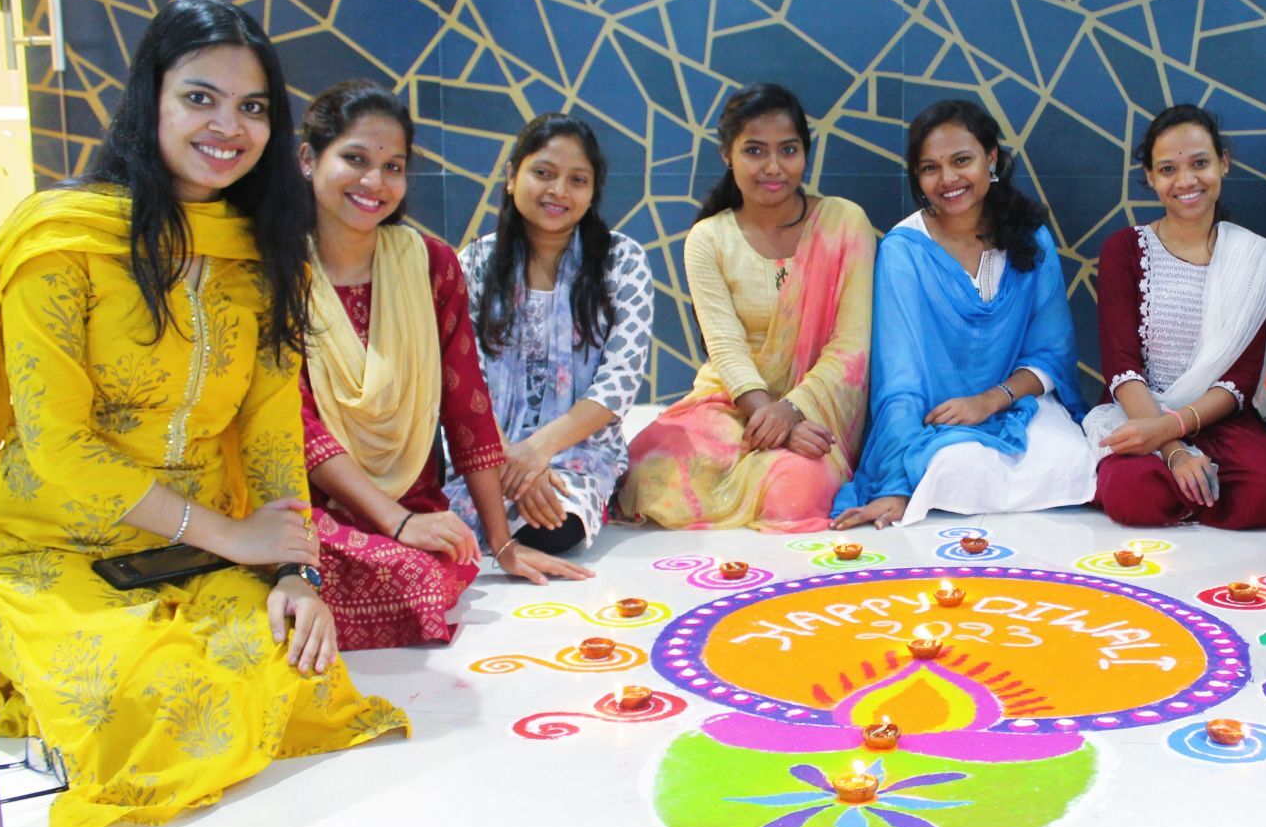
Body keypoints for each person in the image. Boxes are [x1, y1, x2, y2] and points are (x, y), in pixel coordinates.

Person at [0, 0, 406, 827]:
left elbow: (271, 429)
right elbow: (61, 448)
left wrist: (294, 571)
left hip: (195, 545)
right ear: (153, 99)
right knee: (161, 704)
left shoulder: (260, 251)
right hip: (51, 538)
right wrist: (236, 538)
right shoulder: (61, 242)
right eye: (201, 97)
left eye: (253, 108)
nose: (228, 127)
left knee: (295, 671)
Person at [298, 84, 584, 653]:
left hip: (411, 496)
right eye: (354, 159)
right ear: (309, 159)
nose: (374, 183)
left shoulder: (428, 264)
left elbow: (466, 405)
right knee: (374, 582)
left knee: (428, 578)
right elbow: (296, 424)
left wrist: (501, 544)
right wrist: (395, 526)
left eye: (393, 166)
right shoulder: (272, 268)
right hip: (307, 506)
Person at [618, 85, 872, 531]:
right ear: (727, 155)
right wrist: (771, 418)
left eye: (788, 150)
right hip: (735, 403)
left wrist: (793, 410)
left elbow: (851, 346)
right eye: (755, 151)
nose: (773, 167)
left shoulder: (844, 223)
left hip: (818, 407)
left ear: (805, 155)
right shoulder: (709, 238)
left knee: (793, 495)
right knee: (645, 467)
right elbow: (725, 346)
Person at [832, 99, 1091, 529]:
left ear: (991, 158)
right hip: (938, 417)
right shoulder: (904, 251)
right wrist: (896, 483)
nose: (948, 179)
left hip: (1015, 402)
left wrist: (991, 400)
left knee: (1070, 460)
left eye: (962, 161)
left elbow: (1050, 354)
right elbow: (900, 380)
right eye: (930, 168)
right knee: (958, 466)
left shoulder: (1031, 238)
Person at [1088, 105, 1266, 529]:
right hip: (1140, 411)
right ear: (1152, 177)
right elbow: (1121, 365)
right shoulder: (1124, 249)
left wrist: (1176, 425)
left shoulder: (1253, 261)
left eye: (1199, 163)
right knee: (1132, 492)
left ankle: (1192, 496)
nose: (1186, 181)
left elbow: (1241, 381)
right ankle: (1196, 491)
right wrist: (1171, 446)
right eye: (1168, 169)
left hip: (1218, 417)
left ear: (1223, 164)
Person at [452, 114, 648, 558]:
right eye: (543, 173)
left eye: (577, 180)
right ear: (511, 177)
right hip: (487, 448)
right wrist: (506, 459)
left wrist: (536, 452)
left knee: (554, 527)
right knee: (453, 520)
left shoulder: (623, 262)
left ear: (591, 192)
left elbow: (618, 385)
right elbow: (465, 378)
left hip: (576, 451)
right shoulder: (476, 262)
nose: (558, 191)